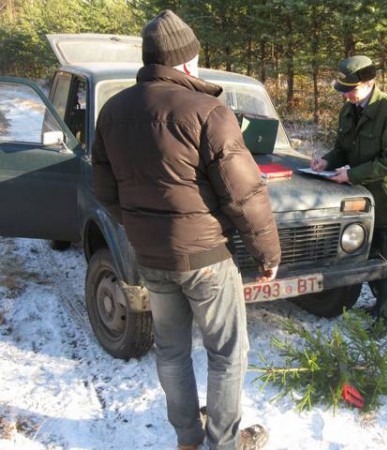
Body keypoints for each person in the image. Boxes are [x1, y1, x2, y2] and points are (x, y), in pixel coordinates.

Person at [92, 10, 280, 450]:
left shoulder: (113, 112)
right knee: (227, 354)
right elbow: (245, 195)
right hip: (206, 259)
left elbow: (104, 190)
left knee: (172, 352)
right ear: (185, 62)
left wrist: (142, 228)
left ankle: (187, 440)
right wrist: (267, 254)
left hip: (151, 257)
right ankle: (225, 443)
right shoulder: (208, 110)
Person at [311, 55, 387, 333]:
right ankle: (382, 305)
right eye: (343, 91)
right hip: (362, 198)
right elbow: (342, 148)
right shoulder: (349, 110)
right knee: (368, 258)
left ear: (369, 83)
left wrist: (352, 175)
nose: (346, 97)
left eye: (351, 90)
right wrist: (327, 161)